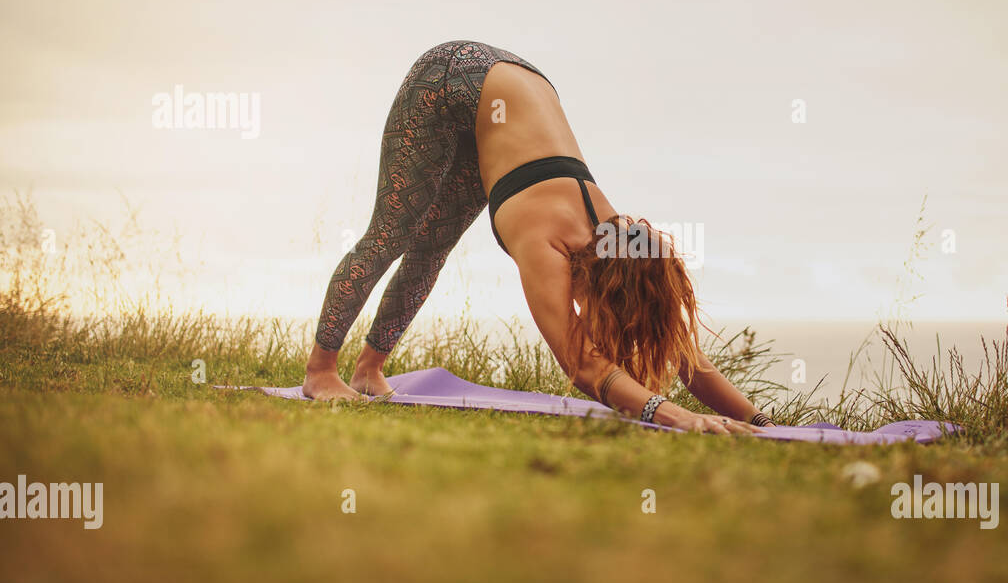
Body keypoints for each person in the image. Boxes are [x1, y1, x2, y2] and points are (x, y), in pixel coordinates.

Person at [304, 41, 776, 435]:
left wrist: (761, 421)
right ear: (604, 292)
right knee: (392, 233)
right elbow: (582, 366)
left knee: (431, 250)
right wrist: (680, 418)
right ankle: (321, 372)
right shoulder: (543, 238)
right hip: (450, 77)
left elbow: (685, 355)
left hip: (512, 92)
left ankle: (368, 371)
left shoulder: (625, 247)